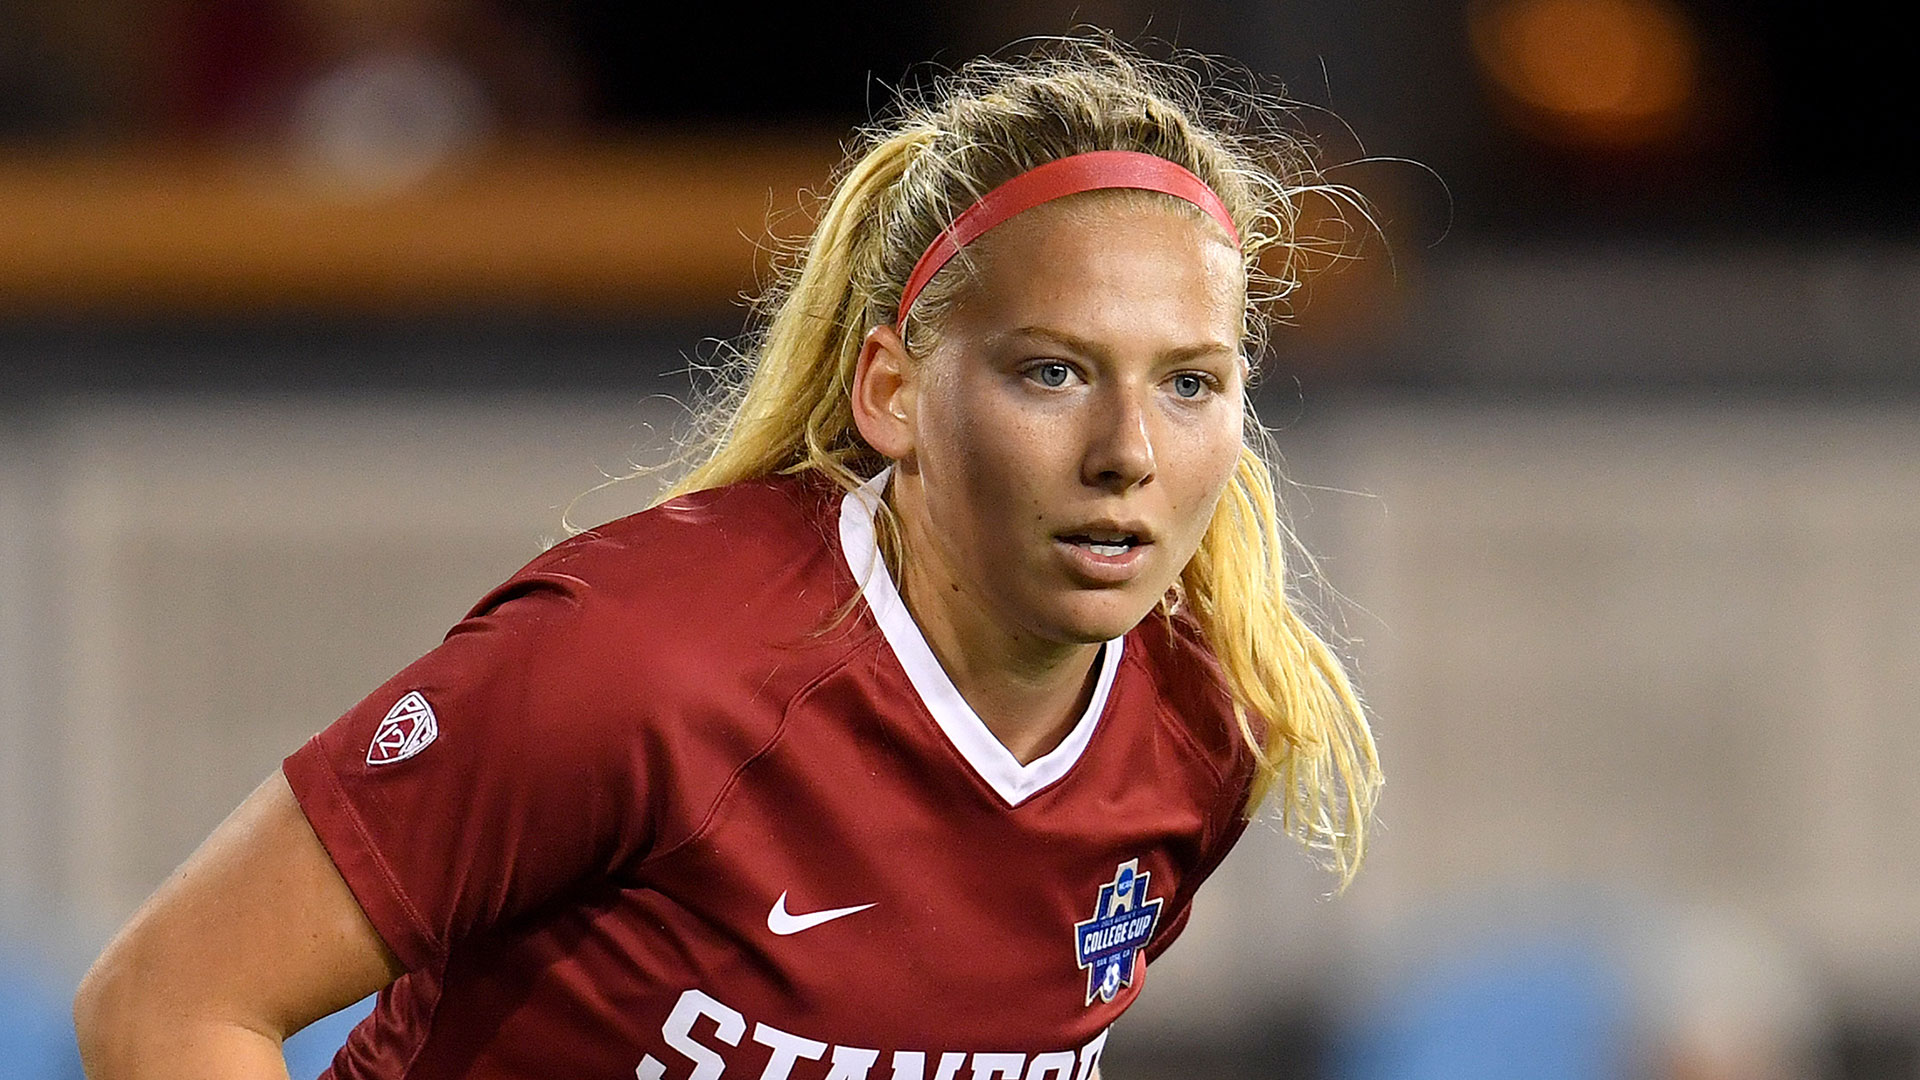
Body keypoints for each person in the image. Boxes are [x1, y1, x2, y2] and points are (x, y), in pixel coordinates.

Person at [72, 37, 1381, 1080]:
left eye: (1193, 384)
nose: (1128, 450)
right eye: (1052, 372)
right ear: (892, 394)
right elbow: (169, 1002)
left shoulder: (1209, 721)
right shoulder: (637, 668)